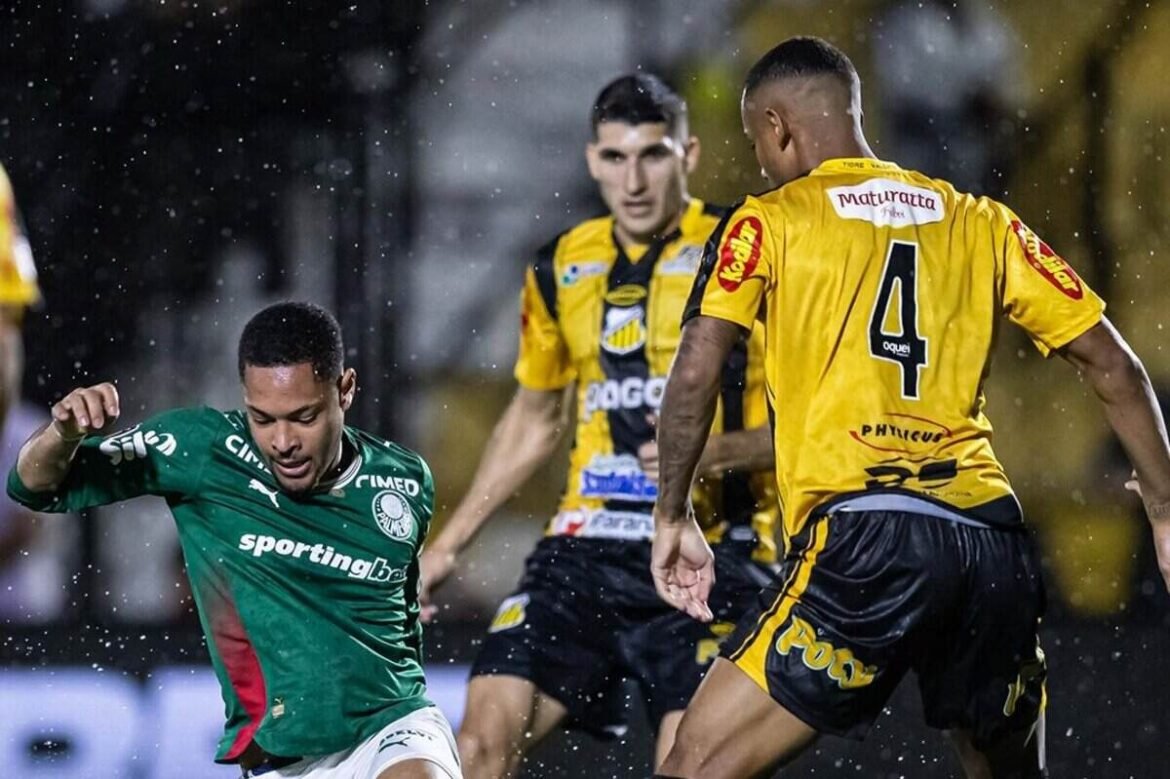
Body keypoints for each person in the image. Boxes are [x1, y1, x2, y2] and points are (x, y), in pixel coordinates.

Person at [649, 36, 1170, 779]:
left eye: (755, 143)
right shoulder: (981, 220)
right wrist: (1163, 506)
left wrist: (672, 516)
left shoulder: (769, 218)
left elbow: (697, 369)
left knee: (692, 763)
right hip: (988, 541)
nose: (761, 162)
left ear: (778, 128)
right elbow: (1115, 367)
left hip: (866, 537)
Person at [418, 73, 778, 778]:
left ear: (690, 154)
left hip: (714, 556)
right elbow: (533, 419)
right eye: (615, 157)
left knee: (692, 767)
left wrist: (715, 452)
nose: (634, 179)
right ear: (592, 161)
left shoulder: (749, 249)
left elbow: (825, 419)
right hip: (582, 553)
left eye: (653, 154)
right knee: (476, 749)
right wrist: (448, 546)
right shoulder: (560, 264)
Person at [7, 301, 463, 779]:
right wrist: (63, 435)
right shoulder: (200, 449)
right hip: (281, 762)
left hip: (392, 728)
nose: (282, 441)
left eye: (303, 417)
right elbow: (33, 487)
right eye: (263, 419)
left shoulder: (405, 479)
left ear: (344, 389)